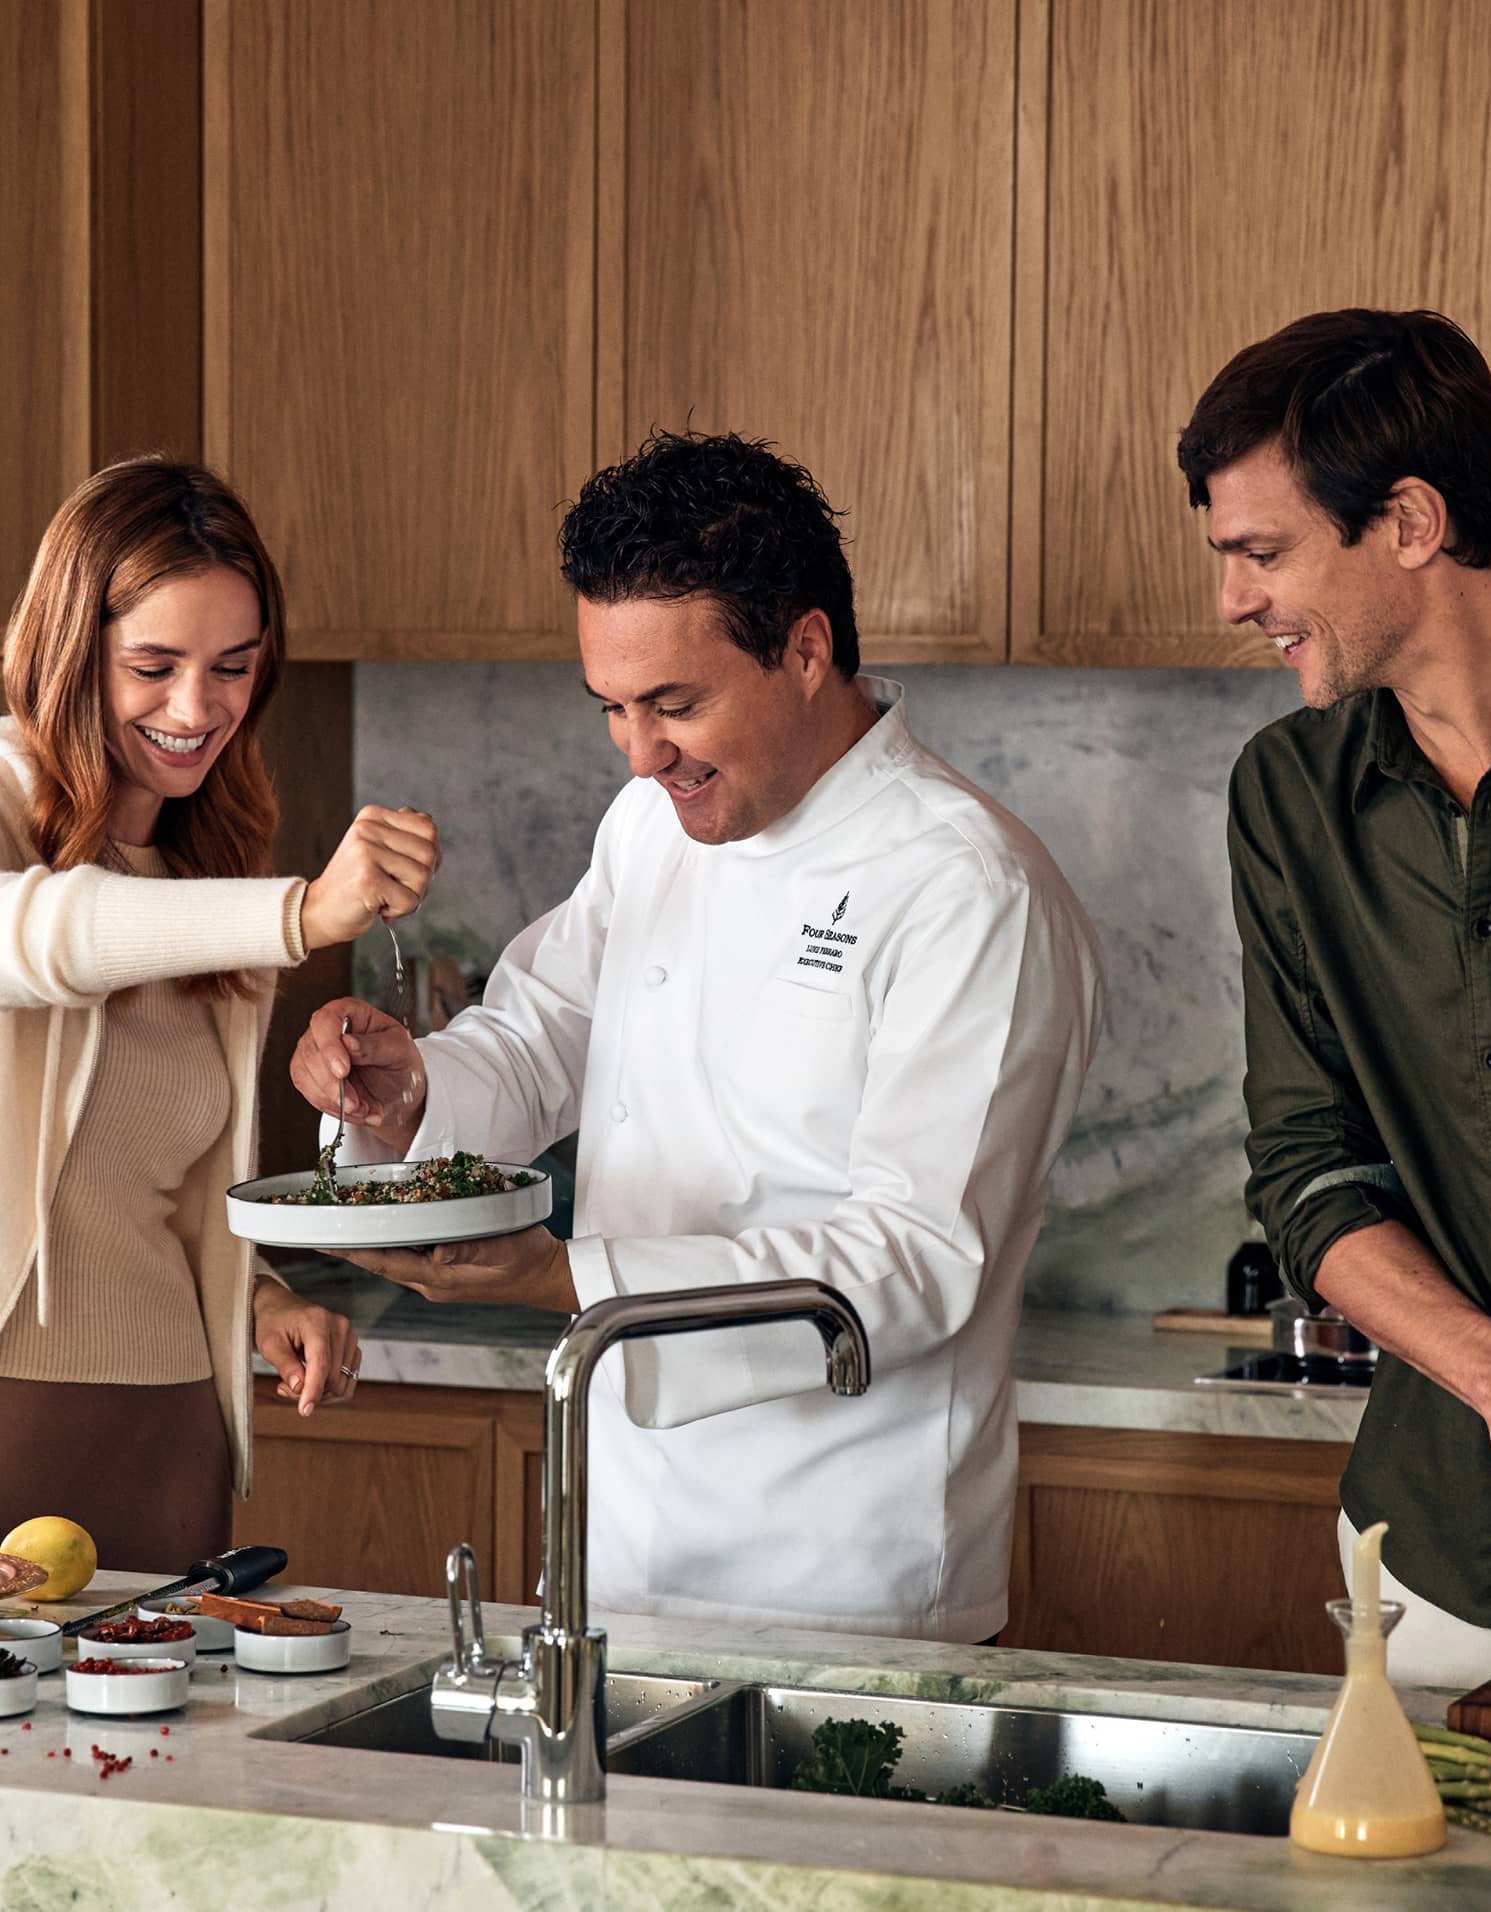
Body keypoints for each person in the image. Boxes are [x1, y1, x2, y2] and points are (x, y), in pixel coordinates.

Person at [291, 430, 1102, 1642]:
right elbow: (543, 1034)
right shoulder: (652, 824)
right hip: (617, 1542)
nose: (640, 751)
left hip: (845, 1572)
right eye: (614, 709)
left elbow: (919, 1257)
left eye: (676, 704)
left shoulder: (969, 888)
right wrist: (405, 1091)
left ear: (807, 650)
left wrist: (570, 1280)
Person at [0, 456, 440, 1569]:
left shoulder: (210, 859)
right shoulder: (9, 805)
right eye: (153, 666)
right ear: (70, 651)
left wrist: (258, 1298)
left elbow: (161, 1184)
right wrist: (303, 913)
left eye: (233, 668)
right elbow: (42, 937)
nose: (197, 710)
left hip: (169, 1419)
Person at [1179, 308, 1491, 1686]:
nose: (1233, 600)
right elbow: (1307, 1166)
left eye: (1264, 554)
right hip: (1436, 1554)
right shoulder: (1288, 799)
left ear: (1410, 522)